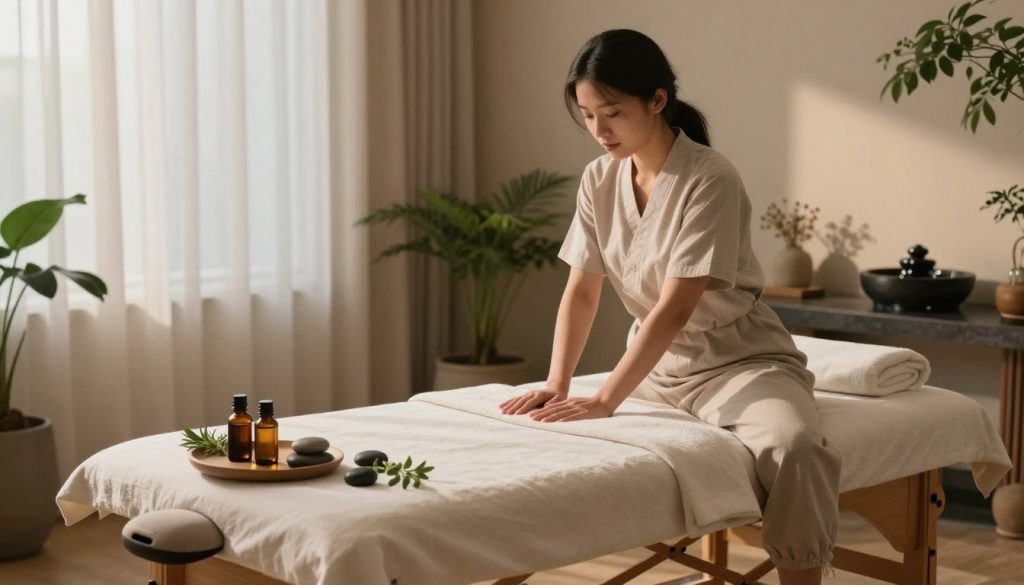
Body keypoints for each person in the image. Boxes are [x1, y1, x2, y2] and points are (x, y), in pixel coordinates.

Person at [498, 29, 841, 584]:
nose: (598, 130)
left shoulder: (710, 178)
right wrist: (558, 383)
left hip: (739, 362)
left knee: (795, 446)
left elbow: (676, 309)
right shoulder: (598, 179)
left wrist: (607, 398)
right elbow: (583, 290)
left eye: (611, 112)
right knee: (541, 433)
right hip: (659, 367)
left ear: (657, 100)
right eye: (587, 115)